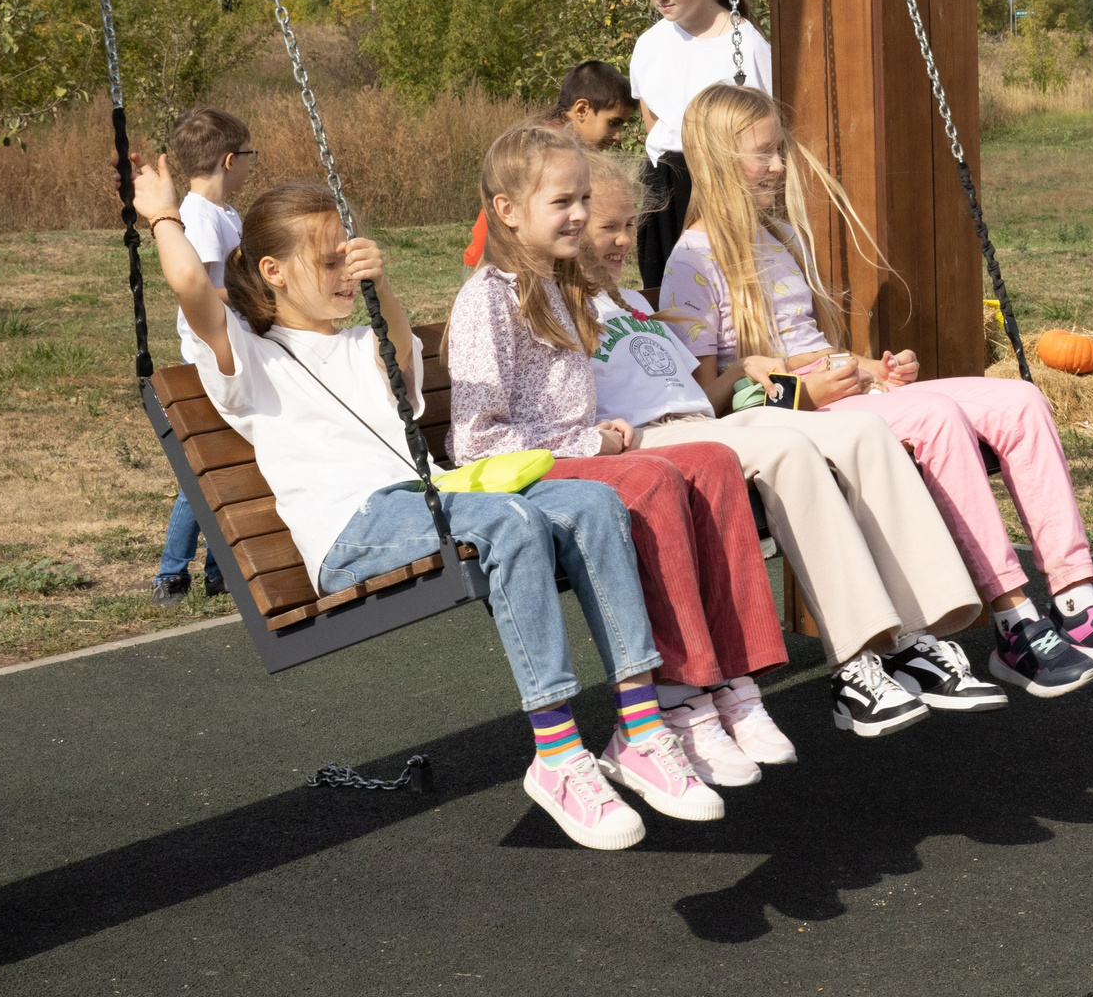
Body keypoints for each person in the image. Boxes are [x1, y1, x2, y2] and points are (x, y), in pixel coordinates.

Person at [132, 160, 711, 851]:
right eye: (329, 261)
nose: (346, 273)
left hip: (429, 499)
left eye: (349, 256)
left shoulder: (359, 336)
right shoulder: (249, 360)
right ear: (274, 271)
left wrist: (384, 286)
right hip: (355, 528)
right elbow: (193, 285)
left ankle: (640, 726)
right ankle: (558, 756)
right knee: (512, 520)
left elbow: (397, 363)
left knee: (591, 502)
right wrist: (164, 213)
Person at [659, 84, 1093, 700]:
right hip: (801, 415)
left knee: (1018, 399)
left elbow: (819, 350)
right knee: (934, 416)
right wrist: (786, 380)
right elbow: (701, 398)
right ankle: (1015, 621)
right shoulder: (693, 261)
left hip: (842, 392)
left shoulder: (781, 240)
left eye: (780, 151)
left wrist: (873, 367)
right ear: (719, 161)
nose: (778, 166)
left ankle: (1077, 597)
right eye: (762, 154)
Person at [580, 150, 999, 737]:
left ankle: (916, 633)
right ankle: (855, 666)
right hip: (650, 442)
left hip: (706, 422)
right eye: (609, 227)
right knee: (791, 452)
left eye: (631, 226)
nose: (625, 240)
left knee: (864, 430)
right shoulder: (561, 307)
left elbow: (709, 394)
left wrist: (751, 366)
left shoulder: (637, 305)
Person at [447, 123, 797, 781]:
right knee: (655, 480)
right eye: (563, 203)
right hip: (534, 476)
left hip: (577, 453)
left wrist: (602, 426)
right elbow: (476, 437)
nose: (580, 214)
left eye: (584, 200)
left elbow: (567, 400)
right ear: (508, 212)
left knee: (714, 461)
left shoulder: (556, 288)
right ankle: (682, 697)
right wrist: (590, 440)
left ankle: (738, 683)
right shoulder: (487, 302)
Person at [629, 0, 772, 299]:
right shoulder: (649, 44)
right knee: (668, 296)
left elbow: (764, 127)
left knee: (725, 294)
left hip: (722, 184)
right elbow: (652, 121)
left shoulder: (744, 43)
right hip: (664, 188)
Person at [152, 107, 256, 604]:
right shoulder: (200, 217)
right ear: (231, 160)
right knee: (204, 467)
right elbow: (206, 292)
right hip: (211, 354)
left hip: (232, 347)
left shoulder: (225, 214)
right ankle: (171, 572)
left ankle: (218, 570)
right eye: (250, 155)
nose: (253, 164)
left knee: (224, 459)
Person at [463, 61, 639, 269]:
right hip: (498, 263)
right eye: (613, 122)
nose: (618, 136)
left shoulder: (561, 150)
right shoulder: (543, 152)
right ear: (582, 109)